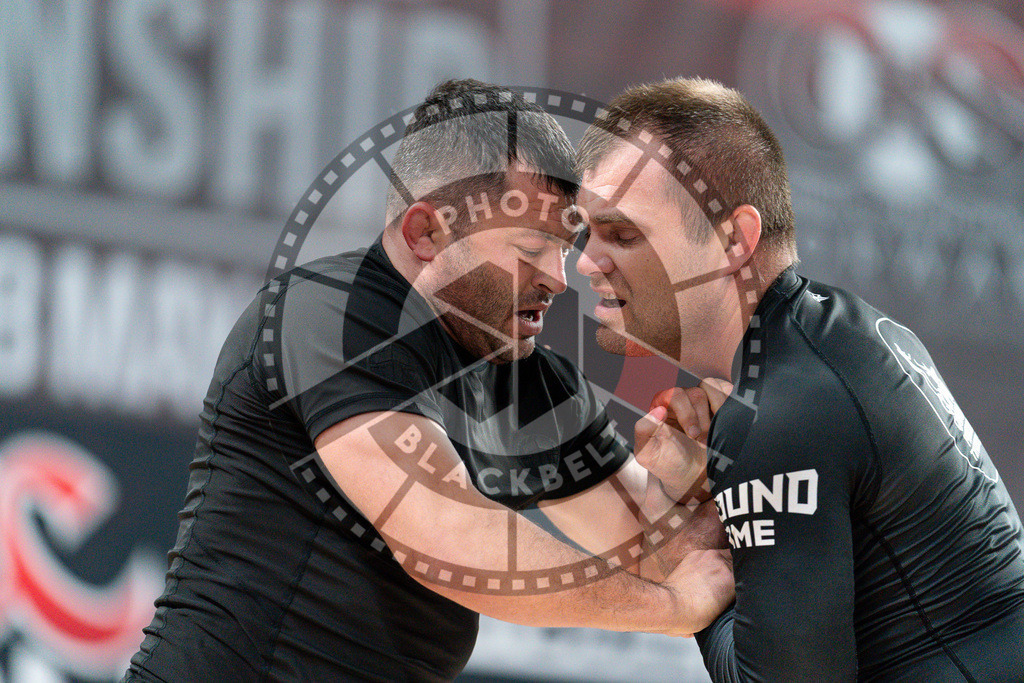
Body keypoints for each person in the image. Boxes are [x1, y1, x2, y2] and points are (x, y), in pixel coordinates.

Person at [124, 79, 733, 682]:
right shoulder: (327, 315)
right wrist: (671, 608)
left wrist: (697, 479)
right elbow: (448, 539)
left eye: (564, 248)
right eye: (531, 247)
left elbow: (660, 550)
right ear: (425, 233)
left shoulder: (525, 374)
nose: (559, 277)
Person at [574, 77, 1024, 681]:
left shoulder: (782, 405)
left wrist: (691, 547)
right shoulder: (841, 337)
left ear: (735, 240)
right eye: (587, 230)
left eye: (623, 235)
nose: (584, 261)